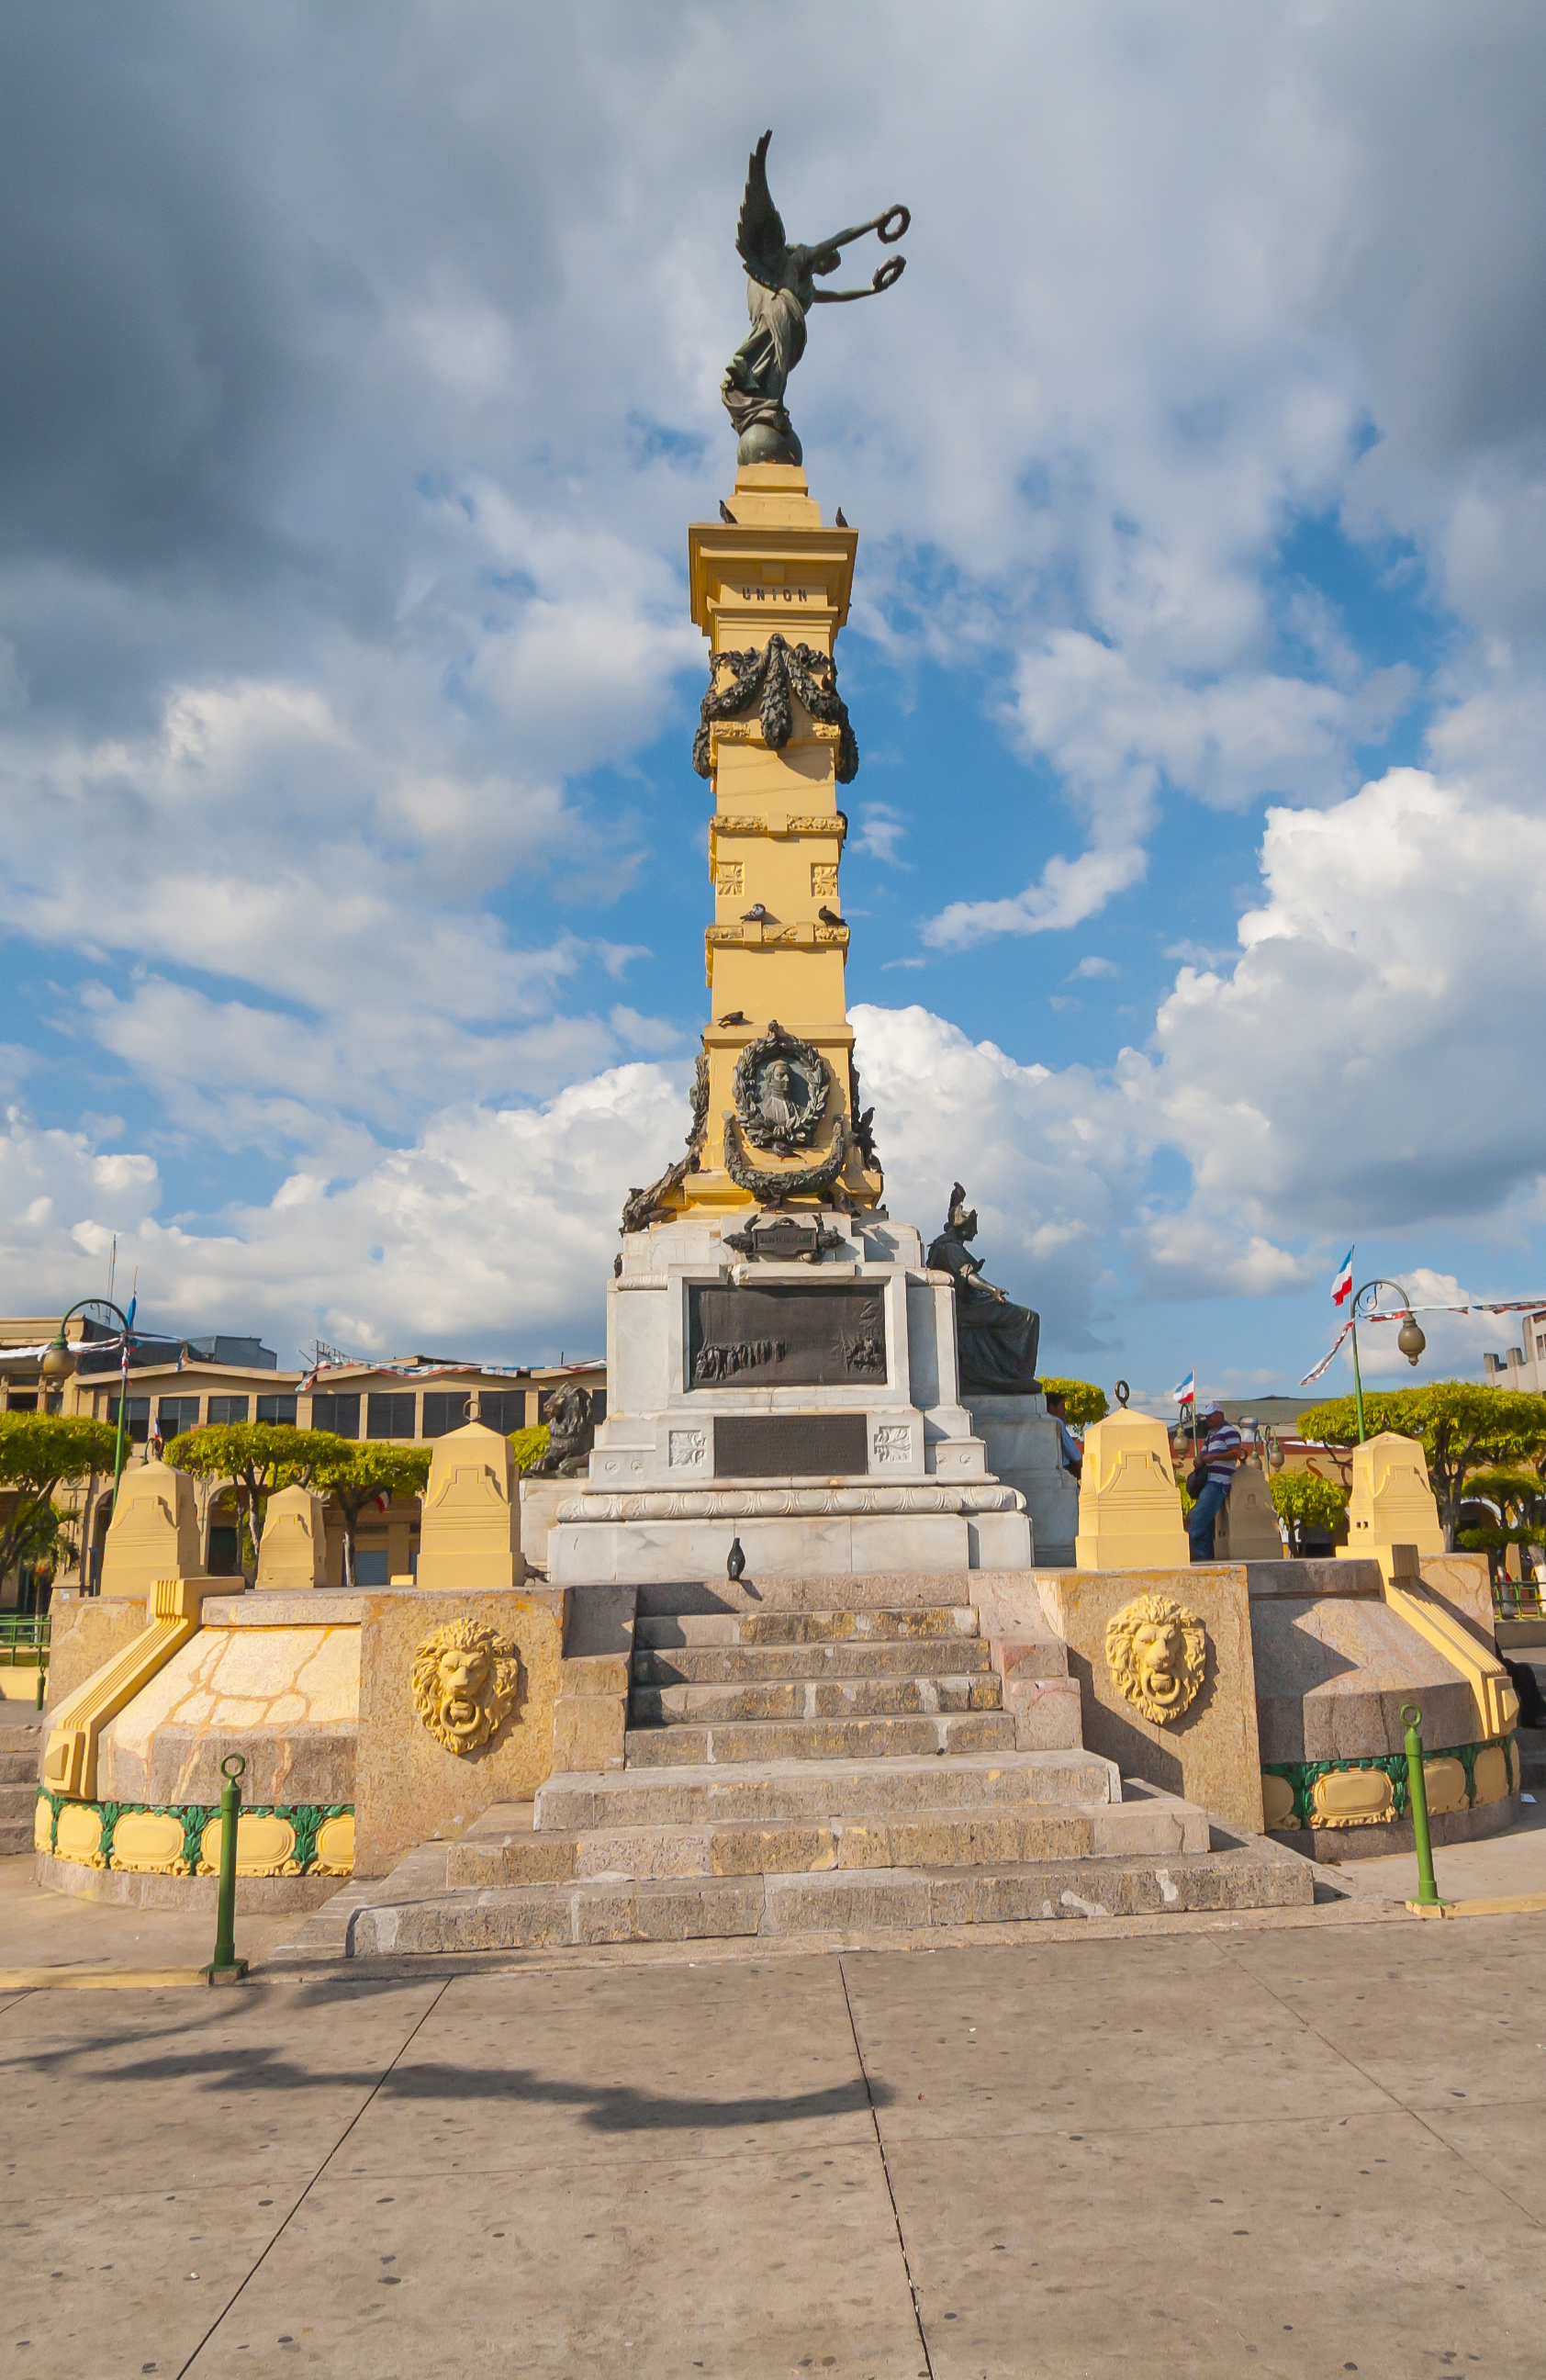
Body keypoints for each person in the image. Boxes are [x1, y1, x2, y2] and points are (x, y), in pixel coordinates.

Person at [1186, 1401, 1248, 1562]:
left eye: (1211, 1415)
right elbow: (1203, 1452)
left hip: (1219, 1481)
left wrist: (1215, 1457)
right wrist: (1199, 1459)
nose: (1208, 1419)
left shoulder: (1229, 1432)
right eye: (1207, 1416)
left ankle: (1190, 1550)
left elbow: (1236, 1453)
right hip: (1209, 1480)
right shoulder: (1211, 1434)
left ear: (1220, 1415)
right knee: (1205, 1521)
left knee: (1197, 1518)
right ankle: (1202, 1555)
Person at [1044, 1390, 1082, 1483]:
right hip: (1063, 1469)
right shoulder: (1057, 1422)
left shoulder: (1039, 1422)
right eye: (1062, 1406)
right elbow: (1073, 1452)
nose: (1064, 1410)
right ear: (1051, 1407)